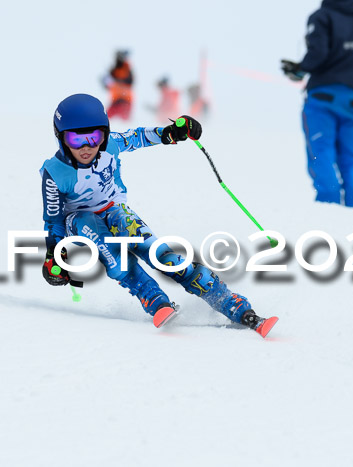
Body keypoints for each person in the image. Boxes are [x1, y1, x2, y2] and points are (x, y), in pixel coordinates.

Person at [40, 94, 278, 337]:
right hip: (77, 220)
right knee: (108, 248)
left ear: (105, 134)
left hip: (113, 209)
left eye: (94, 137)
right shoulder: (55, 172)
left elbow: (138, 137)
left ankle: (228, 301)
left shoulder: (110, 146)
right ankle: (151, 297)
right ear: (60, 137)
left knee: (158, 253)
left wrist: (171, 132)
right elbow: (54, 218)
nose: (86, 147)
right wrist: (55, 254)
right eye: (75, 138)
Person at [281, 0, 353, 211]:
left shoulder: (323, 16)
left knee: (321, 151)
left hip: (323, 99)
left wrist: (299, 68)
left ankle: (329, 210)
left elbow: (318, 53)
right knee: (352, 160)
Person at [102, 50, 133, 120]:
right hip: (115, 99)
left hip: (124, 99)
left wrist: (115, 80)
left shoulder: (126, 69)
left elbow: (129, 81)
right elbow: (107, 85)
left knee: (124, 122)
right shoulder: (113, 70)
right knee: (107, 118)